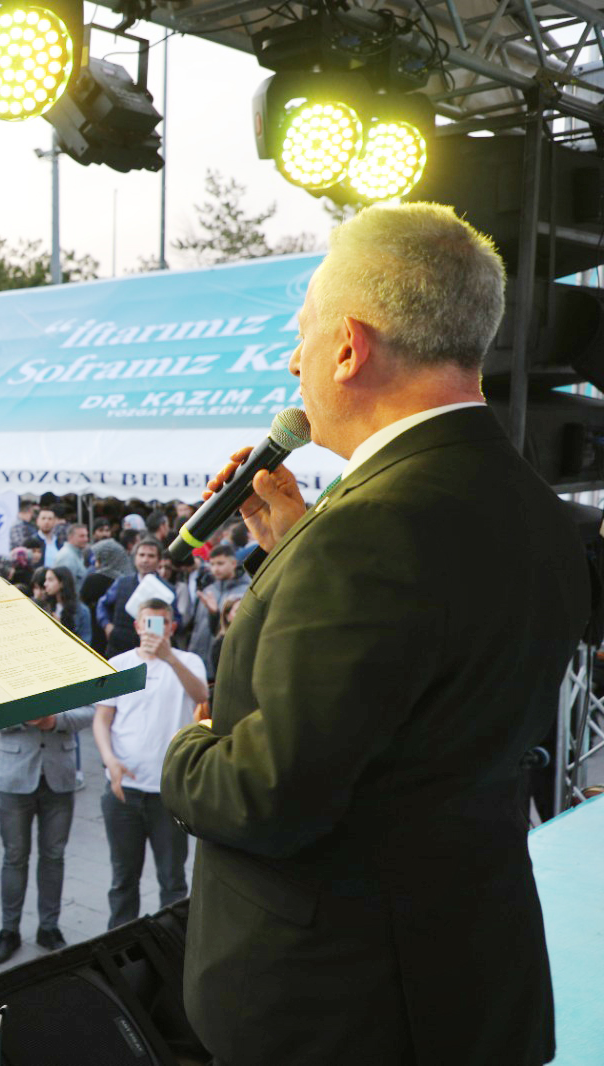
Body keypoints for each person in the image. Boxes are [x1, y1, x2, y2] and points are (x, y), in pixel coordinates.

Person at [160, 203, 593, 1066]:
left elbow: (265, 797)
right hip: (464, 973)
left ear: (350, 347)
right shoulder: (535, 507)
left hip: (344, 1010)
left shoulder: (370, 537)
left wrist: (190, 747)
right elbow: (425, 667)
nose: (294, 361)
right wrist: (294, 544)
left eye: (303, 333)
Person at [93, 600, 207, 930]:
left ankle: (173, 948)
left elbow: (200, 695)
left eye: (162, 623)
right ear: (138, 626)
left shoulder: (188, 661)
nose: (154, 629)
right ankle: (119, 949)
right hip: (124, 789)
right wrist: (109, 761)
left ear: (172, 628)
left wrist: (169, 656)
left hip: (169, 793)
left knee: (173, 881)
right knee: (122, 880)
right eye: (148, 623)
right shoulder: (119, 663)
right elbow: (103, 720)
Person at [0, 691, 96, 964]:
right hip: (13, 773)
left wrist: (54, 720)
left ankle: (49, 927)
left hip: (59, 774)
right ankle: (8, 930)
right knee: (14, 856)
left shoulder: (68, 664)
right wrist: (22, 718)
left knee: (54, 855)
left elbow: (91, 710)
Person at [96, 538, 170, 657]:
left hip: (151, 650)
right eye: (141, 555)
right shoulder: (121, 583)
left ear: (159, 560)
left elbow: (175, 619)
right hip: (119, 648)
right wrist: (107, 625)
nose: (145, 560)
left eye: (151, 556)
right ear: (135, 558)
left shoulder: (166, 589)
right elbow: (102, 604)